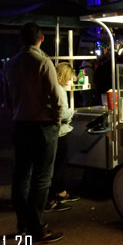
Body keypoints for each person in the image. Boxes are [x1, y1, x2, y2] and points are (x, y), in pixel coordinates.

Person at [4, 23, 64, 244]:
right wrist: (57, 122)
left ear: (21, 40)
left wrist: (17, 113)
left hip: (20, 125)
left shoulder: (10, 64)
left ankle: (23, 224)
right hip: (42, 126)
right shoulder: (43, 62)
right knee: (42, 177)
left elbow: (7, 98)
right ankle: (38, 228)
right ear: (41, 38)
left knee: (21, 175)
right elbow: (57, 98)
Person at [45, 62, 80, 212]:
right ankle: (55, 197)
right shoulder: (59, 90)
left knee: (55, 166)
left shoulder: (49, 87)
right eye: (70, 78)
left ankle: (59, 193)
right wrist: (72, 112)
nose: (70, 81)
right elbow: (62, 113)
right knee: (59, 166)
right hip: (60, 133)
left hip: (53, 132)